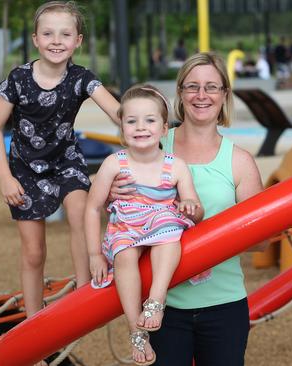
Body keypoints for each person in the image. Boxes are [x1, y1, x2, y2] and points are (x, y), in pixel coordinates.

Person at [110, 53, 268, 366]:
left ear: (225, 95)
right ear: (180, 94)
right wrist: (113, 194)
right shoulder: (151, 144)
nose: (201, 95)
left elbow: (261, 240)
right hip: (162, 307)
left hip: (224, 306)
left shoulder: (239, 162)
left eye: (211, 87)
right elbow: (119, 216)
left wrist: (213, 236)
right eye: (192, 86)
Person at [0, 0, 119, 354]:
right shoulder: (18, 79)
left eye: (65, 33)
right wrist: (4, 178)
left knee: (81, 211)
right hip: (24, 169)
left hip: (65, 160)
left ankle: (83, 292)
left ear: (78, 40)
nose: (56, 40)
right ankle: (33, 324)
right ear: (35, 39)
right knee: (33, 252)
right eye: (48, 33)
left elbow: (118, 111)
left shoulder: (82, 78)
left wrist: (145, 124)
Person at [86, 85, 203, 366]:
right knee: (124, 255)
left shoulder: (175, 165)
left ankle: (155, 301)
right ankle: (135, 329)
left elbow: (195, 206)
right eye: (131, 121)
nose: (141, 127)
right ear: (122, 128)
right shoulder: (115, 163)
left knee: (168, 231)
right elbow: (92, 207)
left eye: (149, 120)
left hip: (162, 222)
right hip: (126, 226)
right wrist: (94, 254)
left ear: (164, 129)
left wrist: (188, 204)